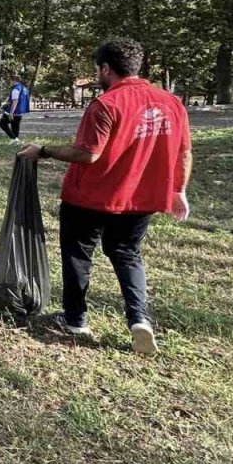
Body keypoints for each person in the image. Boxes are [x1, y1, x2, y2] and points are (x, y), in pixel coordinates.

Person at [19, 37, 192, 355]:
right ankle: (139, 319)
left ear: (106, 68)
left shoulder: (106, 105)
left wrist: (42, 150)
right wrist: (178, 190)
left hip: (90, 198)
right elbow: (184, 152)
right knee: (127, 254)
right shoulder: (171, 103)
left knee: (78, 254)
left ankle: (75, 320)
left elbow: (88, 154)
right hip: (140, 200)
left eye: (97, 69)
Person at [1, 77, 31, 145]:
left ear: (14, 80)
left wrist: (11, 113)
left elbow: (15, 101)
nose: (10, 83)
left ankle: (13, 138)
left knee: (2, 124)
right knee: (15, 125)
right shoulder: (24, 88)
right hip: (20, 111)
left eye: (11, 81)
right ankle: (15, 141)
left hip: (13, 111)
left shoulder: (16, 88)